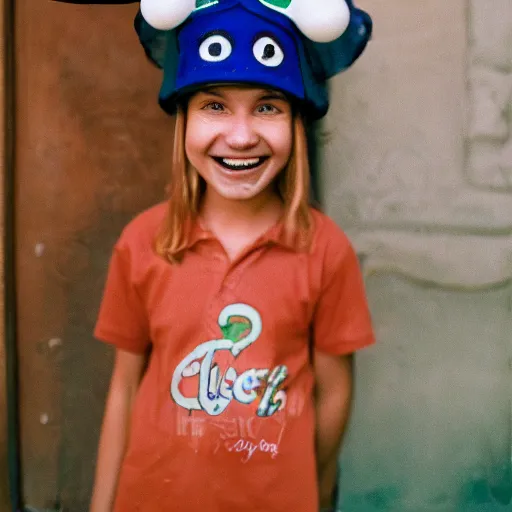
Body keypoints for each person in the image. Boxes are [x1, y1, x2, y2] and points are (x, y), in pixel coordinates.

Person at [65, 0, 375, 510]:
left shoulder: (325, 250)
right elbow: (124, 388)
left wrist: (312, 494)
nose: (240, 134)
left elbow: (335, 394)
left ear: (297, 123)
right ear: (183, 119)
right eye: (214, 105)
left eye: (267, 106)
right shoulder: (143, 241)